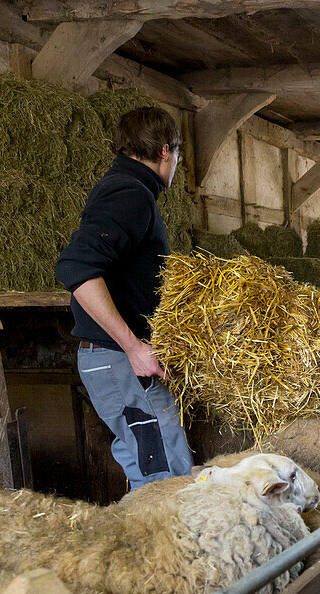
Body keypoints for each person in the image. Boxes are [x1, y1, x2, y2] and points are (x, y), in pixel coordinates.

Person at [55, 107, 193, 490]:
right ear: (166, 151)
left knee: (151, 471)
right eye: (178, 157)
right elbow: (75, 269)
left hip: (113, 361)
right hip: (118, 360)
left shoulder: (125, 188)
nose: (176, 164)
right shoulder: (130, 194)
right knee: (167, 478)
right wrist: (132, 346)